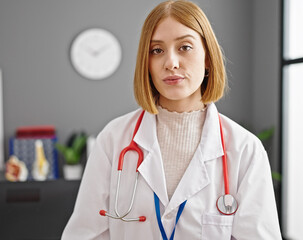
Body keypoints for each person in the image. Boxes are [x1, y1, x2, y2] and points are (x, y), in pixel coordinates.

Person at [62, 1, 281, 239]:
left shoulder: (244, 149)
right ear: (146, 63)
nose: (171, 63)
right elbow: (85, 234)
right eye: (157, 50)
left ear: (207, 57)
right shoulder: (114, 139)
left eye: (185, 47)